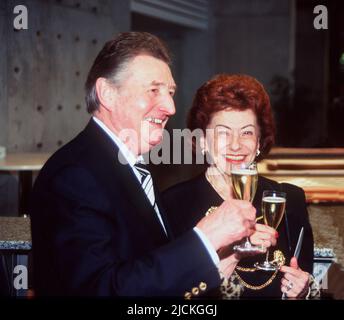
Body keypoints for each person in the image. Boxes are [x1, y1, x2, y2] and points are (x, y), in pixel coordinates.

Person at [29, 33, 261, 297]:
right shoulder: (74, 175)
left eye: (170, 93)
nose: (170, 107)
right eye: (154, 90)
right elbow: (98, 290)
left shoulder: (130, 166)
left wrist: (219, 262)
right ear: (107, 93)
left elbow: (147, 271)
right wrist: (206, 238)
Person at [162, 74, 320, 299]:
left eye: (246, 132)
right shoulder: (174, 205)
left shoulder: (289, 199)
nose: (236, 144)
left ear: (259, 141)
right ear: (203, 141)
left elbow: (308, 278)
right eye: (223, 132)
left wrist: (303, 291)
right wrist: (231, 257)